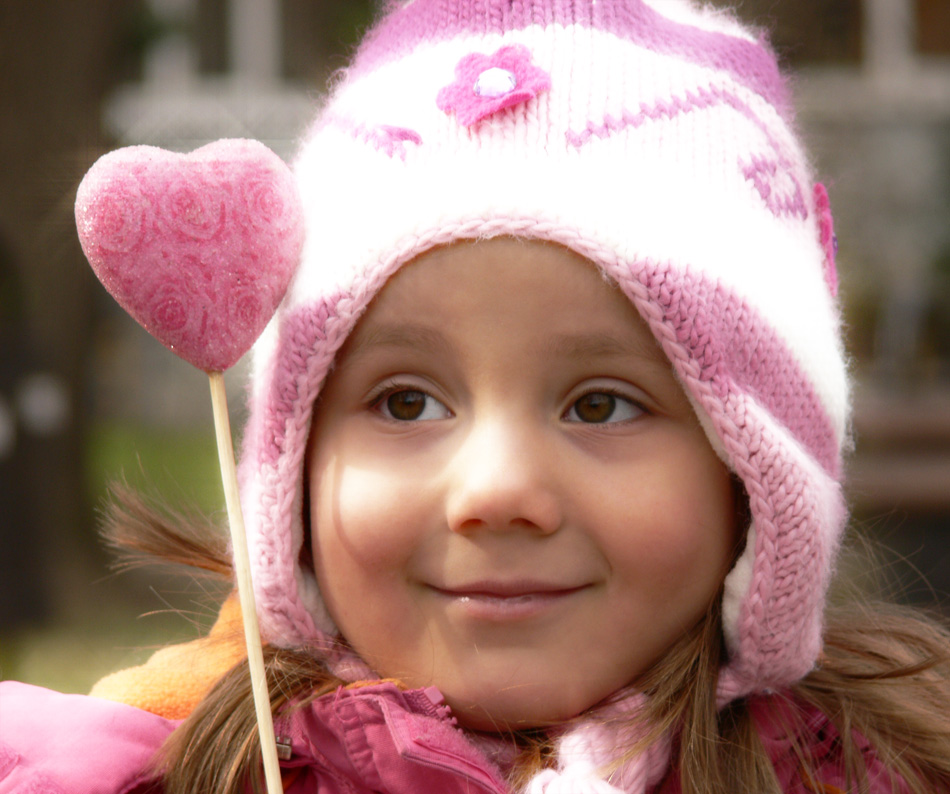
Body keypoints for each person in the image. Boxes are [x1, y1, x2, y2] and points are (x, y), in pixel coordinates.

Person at [2, 0, 950, 792]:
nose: (495, 491)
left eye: (600, 404)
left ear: (752, 477)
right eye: (406, 403)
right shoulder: (156, 772)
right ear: (297, 468)